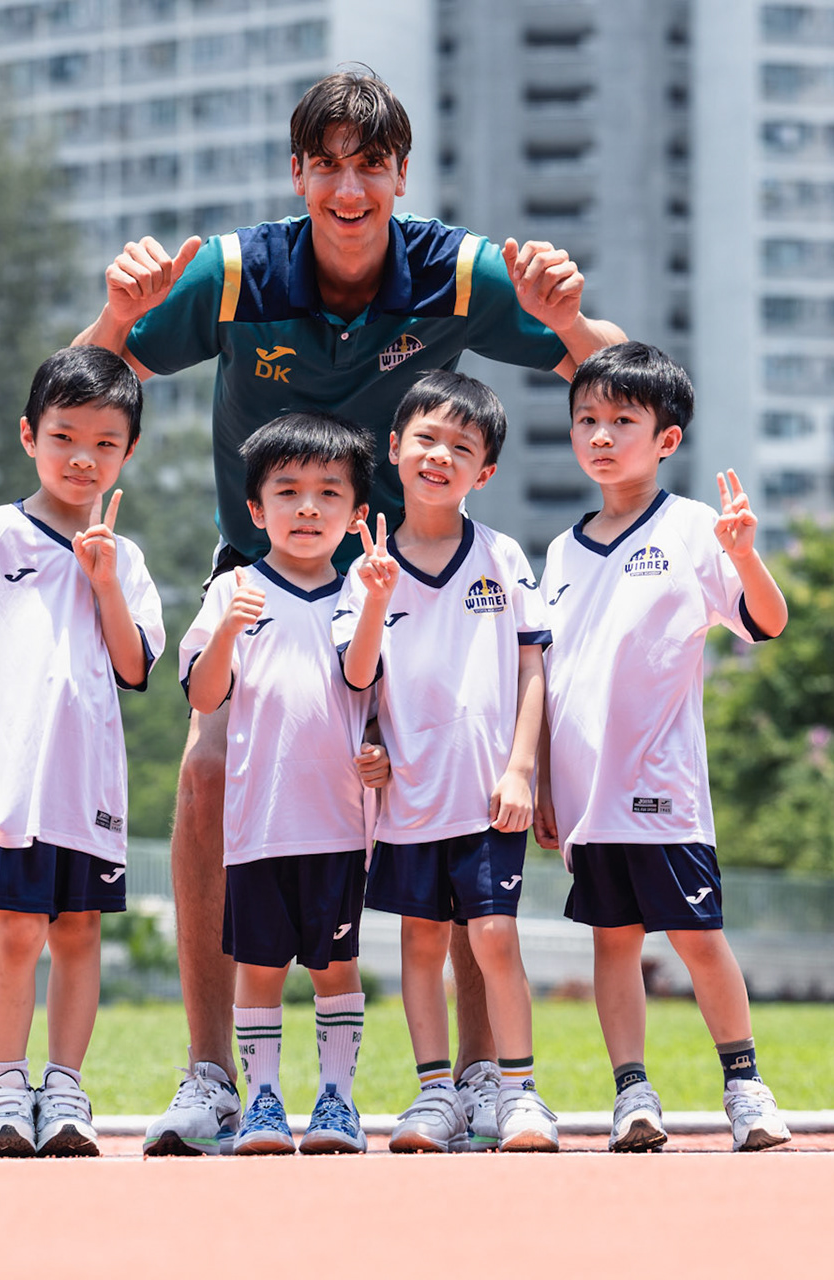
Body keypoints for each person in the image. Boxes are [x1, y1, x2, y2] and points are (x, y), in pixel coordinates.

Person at [74, 67, 625, 1156]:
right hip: (267, 582)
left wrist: (570, 320)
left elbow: (629, 387)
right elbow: (82, 392)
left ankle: (479, 1079)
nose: (348, 186)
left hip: (420, 587)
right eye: (326, 164)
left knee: (463, 788)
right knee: (204, 770)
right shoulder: (236, 274)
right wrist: (118, 309)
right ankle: (210, 1076)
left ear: (398, 175)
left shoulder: (456, 271)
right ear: (299, 174)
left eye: (369, 165)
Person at [534, 342, 793, 1154]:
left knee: (698, 938)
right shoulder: (561, 550)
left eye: (622, 421)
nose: (601, 436)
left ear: (666, 439)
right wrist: (542, 781)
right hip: (585, 797)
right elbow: (547, 673)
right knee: (612, 942)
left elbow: (769, 622)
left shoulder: (691, 530)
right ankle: (632, 1094)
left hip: (665, 790)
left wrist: (746, 554)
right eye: (587, 420)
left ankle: (746, 1085)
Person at [0, 347, 165, 1158]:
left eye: (104, 442)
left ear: (127, 453)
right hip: (14, 783)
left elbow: (134, 668)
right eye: (64, 436)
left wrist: (102, 580)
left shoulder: (123, 559)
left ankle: (64, 1090)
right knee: (17, 932)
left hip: (88, 784)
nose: (81, 457)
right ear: (30, 435)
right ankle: (1, 1087)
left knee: (80, 933)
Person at [334, 371, 557, 1154]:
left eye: (462, 447)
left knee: (494, 936)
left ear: (484, 471)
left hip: (487, 794)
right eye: (426, 438)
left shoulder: (501, 555)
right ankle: (436, 1096)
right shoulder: (367, 565)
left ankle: (520, 1093)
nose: (440, 455)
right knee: (420, 945)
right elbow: (358, 678)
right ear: (394, 449)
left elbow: (534, 668)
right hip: (409, 801)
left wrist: (523, 769)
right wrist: (371, 600)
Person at [175, 413, 391, 1157]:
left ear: (357, 515)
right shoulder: (234, 588)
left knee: (335, 966)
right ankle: (262, 1103)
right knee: (260, 968)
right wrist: (231, 630)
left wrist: (376, 605)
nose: (307, 508)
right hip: (259, 826)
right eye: (288, 491)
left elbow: (363, 680)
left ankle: (338, 1105)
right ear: (254, 510)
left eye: (329, 493)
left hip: (336, 823)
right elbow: (203, 696)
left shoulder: (365, 592)